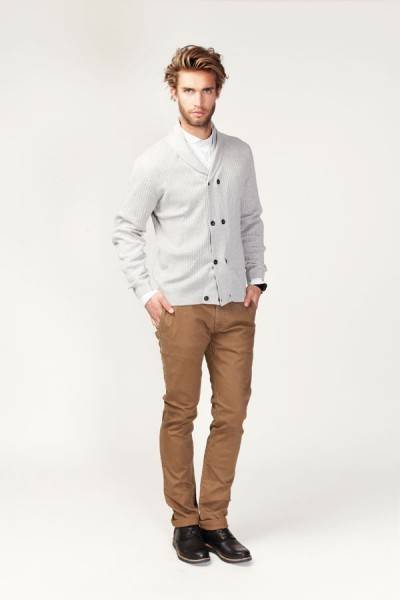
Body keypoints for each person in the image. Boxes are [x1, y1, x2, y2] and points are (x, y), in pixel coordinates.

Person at [112, 44, 268, 565]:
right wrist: (147, 292)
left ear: (218, 92)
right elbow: (126, 230)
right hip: (181, 309)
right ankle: (185, 522)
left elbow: (250, 219)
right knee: (180, 412)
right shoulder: (155, 162)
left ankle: (215, 520)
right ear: (173, 92)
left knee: (232, 413)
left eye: (206, 90)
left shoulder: (240, 154)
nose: (198, 101)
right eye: (188, 91)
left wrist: (257, 278)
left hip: (235, 308)